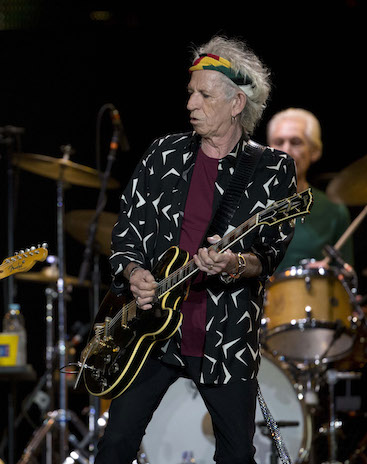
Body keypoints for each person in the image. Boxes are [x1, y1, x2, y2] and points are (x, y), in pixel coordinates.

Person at [95, 36, 297, 463]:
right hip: (150, 335)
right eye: (190, 92)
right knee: (114, 445)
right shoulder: (161, 154)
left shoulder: (272, 168)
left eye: (204, 94)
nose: (190, 103)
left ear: (237, 103)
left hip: (224, 336)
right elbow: (125, 232)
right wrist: (134, 273)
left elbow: (269, 254)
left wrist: (233, 262)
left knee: (237, 453)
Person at [267, 108, 353, 272]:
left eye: (296, 142)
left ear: (314, 151)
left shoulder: (334, 211)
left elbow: (346, 283)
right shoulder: (249, 203)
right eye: (278, 142)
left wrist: (330, 273)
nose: (286, 151)